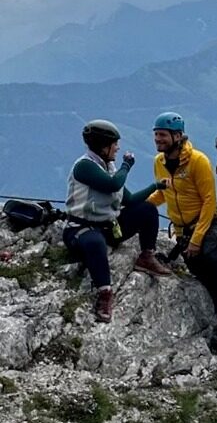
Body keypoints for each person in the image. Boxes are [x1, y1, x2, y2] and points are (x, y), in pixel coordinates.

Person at [64, 119, 172, 324]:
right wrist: (127, 165)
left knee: (148, 209)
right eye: (115, 144)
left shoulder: (108, 166)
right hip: (81, 229)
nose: (118, 148)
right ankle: (105, 294)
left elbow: (128, 199)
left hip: (107, 226)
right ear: (104, 147)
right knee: (95, 243)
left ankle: (147, 257)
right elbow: (114, 184)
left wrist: (156, 187)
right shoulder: (84, 167)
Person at [148, 112, 217, 350]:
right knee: (201, 273)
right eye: (156, 135)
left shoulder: (198, 161)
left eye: (163, 135)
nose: (158, 140)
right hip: (182, 230)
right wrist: (139, 206)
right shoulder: (160, 162)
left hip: (205, 224)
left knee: (216, 267)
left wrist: (197, 240)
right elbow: (162, 193)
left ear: (177, 136)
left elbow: (209, 201)